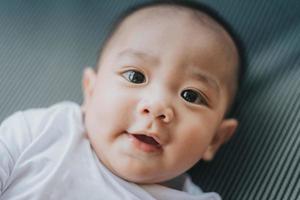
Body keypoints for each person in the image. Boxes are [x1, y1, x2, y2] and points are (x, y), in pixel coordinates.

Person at [0, 1, 245, 199]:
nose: (157, 106)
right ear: (90, 89)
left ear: (215, 138)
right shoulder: (39, 131)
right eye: (135, 76)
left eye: (191, 96)